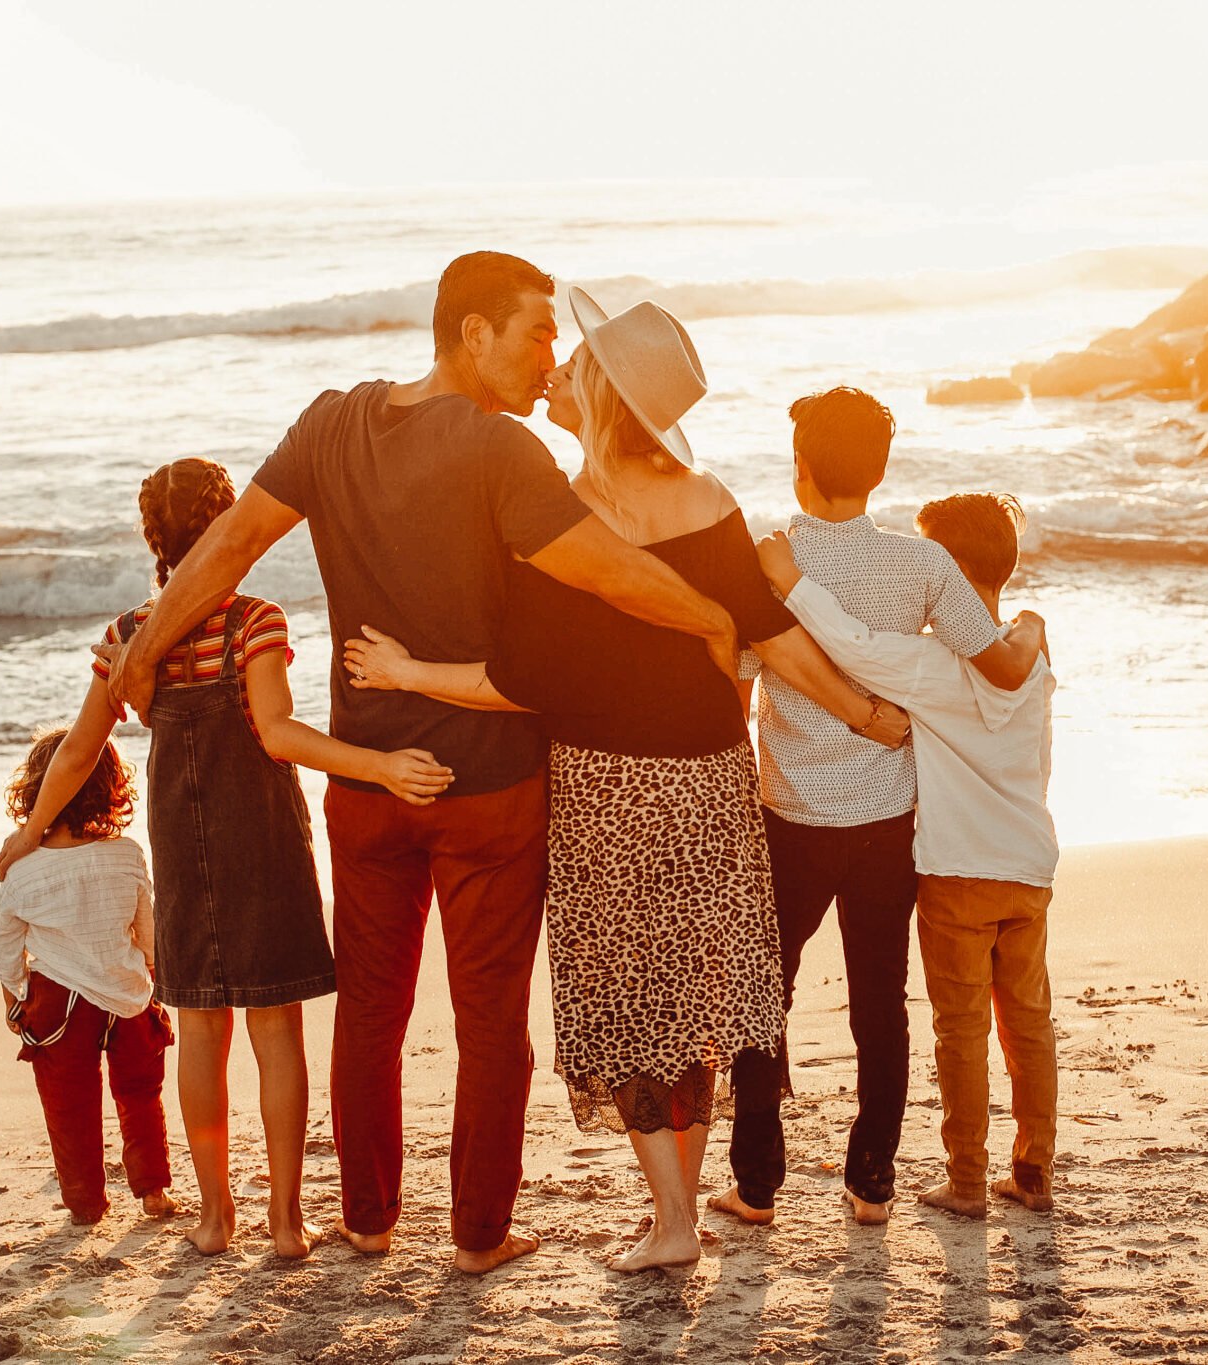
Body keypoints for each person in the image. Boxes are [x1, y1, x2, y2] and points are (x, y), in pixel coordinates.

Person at [102, 253, 742, 1276]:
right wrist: (716, 618)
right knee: (488, 1022)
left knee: (372, 1011)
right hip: (488, 788)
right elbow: (610, 572)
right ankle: (478, 1236)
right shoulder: (503, 450)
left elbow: (224, 549)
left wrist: (141, 655)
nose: (550, 357)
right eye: (536, 332)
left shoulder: (328, 424)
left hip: (363, 783)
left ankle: (365, 1220)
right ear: (471, 334)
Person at [342, 288, 908, 1272]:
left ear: (602, 394)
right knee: (686, 1002)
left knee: (626, 1007)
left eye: (577, 364)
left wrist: (401, 672)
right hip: (711, 786)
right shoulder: (711, 499)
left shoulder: (563, 519)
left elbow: (513, 682)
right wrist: (868, 716)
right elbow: (775, 641)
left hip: (608, 793)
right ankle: (673, 1213)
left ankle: (677, 1221)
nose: (555, 370)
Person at [0, 457, 453, 1259]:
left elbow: (76, 750)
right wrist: (380, 764)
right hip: (264, 841)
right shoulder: (254, 622)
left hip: (182, 844)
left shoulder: (130, 639)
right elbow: (277, 733)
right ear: (229, 528)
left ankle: (214, 1216)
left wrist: (28, 832)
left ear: (156, 539)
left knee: (202, 1032)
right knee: (277, 1031)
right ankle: (284, 1219)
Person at [711, 389, 1047, 1229]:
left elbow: (736, 687)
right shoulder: (923, 565)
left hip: (787, 814)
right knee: (880, 1003)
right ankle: (872, 1182)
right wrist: (1036, 630)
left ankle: (756, 1184)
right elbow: (988, 658)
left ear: (800, 464)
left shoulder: (771, 563)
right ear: (882, 470)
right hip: (887, 822)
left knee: (762, 995)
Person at [0, 729, 179, 1227]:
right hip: (126, 990)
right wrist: (154, 974)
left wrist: (14, 996)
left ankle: (85, 1204)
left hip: (59, 1001)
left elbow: (6, 945)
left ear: (33, 790)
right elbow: (148, 928)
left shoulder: (22, 867)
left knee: (69, 1105)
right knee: (141, 1092)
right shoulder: (126, 854)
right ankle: (153, 1189)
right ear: (112, 787)